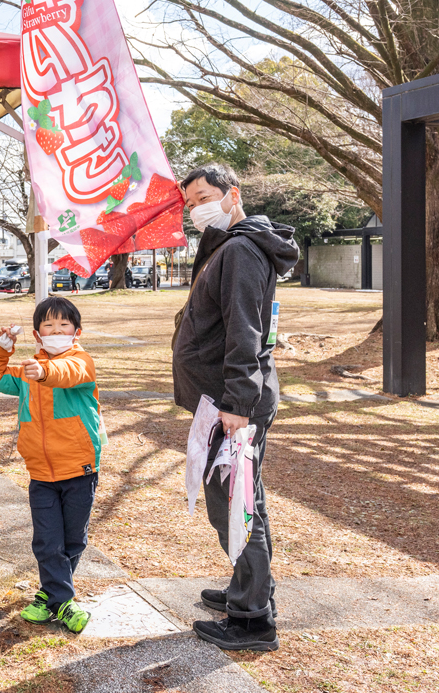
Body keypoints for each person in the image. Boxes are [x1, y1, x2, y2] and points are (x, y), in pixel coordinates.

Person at [171, 164, 299, 652]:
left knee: (235, 505)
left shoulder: (242, 250)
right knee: (243, 501)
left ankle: (252, 620)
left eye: (204, 197)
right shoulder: (230, 245)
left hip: (234, 405)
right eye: (190, 202)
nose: (196, 209)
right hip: (224, 400)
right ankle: (249, 590)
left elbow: (245, 331)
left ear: (232, 195)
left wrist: (238, 404)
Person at [0, 296, 104, 634]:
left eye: (64, 325)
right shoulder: (27, 371)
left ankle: (49, 596)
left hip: (79, 468)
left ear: (77, 331)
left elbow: (68, 373)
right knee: (47, 541)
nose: (57, 330)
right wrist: (2, 348)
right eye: (48, 325)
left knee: (73, 539)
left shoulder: (81, 361)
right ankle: (63, 602)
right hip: (40, 472)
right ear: (37, 334)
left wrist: (45, 372)